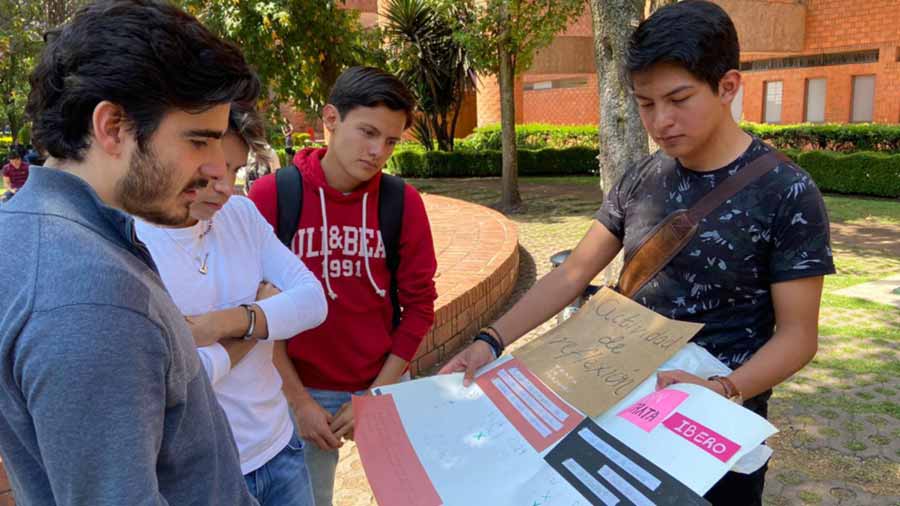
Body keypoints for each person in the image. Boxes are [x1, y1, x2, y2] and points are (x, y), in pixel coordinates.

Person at [440, 2, 833, 505]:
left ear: (728, 86)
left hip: (712, 428)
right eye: (645, 103)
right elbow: (571, 275)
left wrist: (724, 387)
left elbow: (798, 336)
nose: (660, 122)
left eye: (678, 99)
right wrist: (489, 342)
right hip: (620, 410)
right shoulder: (644, 177)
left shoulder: (786, 192)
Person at [0, 1, 260, 504]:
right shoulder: (90, 298)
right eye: (200, 141)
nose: (216, 169)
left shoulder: (30, 230)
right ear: (113, 127)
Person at [248, 66, 438, 506]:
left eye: (390, 141)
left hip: (384, 379)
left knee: (415, 496)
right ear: (331, 119)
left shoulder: (401, 202)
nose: (377, 152)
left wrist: (375, 392)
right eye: (367, 132)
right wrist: (297, 400)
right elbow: (259, 312)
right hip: (301, 386)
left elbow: (420, 307)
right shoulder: (273, 196)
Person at [136, 103, 327, 506]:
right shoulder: (134, 240)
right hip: (205, 476)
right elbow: (179, 383)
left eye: (235, 170)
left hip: (279, 449)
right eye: (214, 169)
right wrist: (263, 320)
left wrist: (221, 323)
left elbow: (313, 301)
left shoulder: (240, 215)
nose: (225, 186)